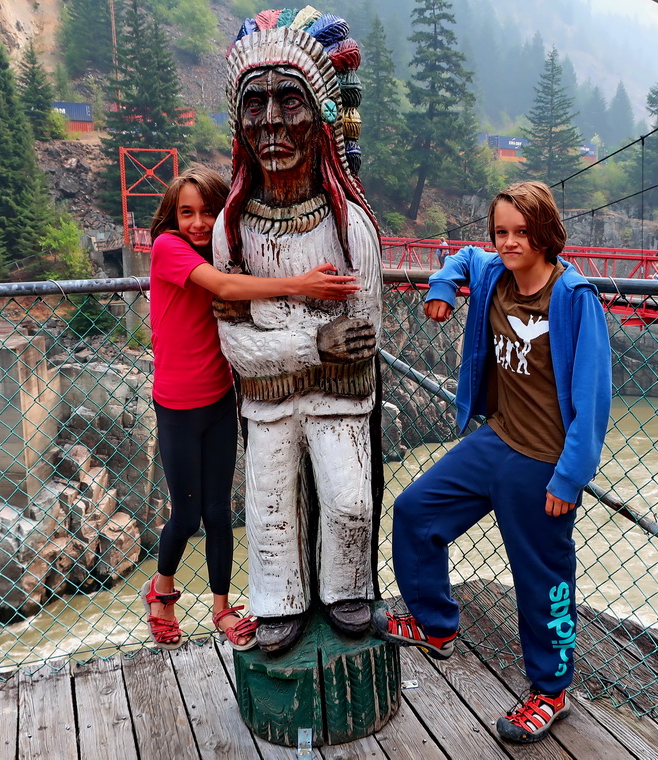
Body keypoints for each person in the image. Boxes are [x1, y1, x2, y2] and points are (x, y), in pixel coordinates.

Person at [375, 181, 612, 744]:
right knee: (415, 511)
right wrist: (442, 287)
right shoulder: (492, 274)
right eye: (501, 231)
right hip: (496, 440)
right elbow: (461, 257)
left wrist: (570, 476)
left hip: (542, 463)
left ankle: (551, 692)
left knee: (540, 579)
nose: (509, 242)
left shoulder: (573, 298)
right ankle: (435, 625)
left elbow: (594, 398)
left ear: (546, 233)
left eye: (521, 232)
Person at [213, 13, 384, 655]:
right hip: (265, 408)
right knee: (269, 513)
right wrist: (313, 344)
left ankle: (347, 589)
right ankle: (277, 599)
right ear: (238, 123)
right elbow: (237, 349)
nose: (272, 123)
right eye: (254, 105)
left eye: (290, 101)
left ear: (320, 119)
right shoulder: (231, 232)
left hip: (341, 403)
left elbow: (359, 341)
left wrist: (280, 348)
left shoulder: (350, 231)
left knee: (348, 504)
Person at [141, 164, 359, 652]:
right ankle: (161, 594)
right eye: (186, 213)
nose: (197, 223)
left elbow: (239, 280)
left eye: (208, 212)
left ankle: (221, 609)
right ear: (172, 218)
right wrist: (300, 284)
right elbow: (223, 289)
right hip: (177, 405)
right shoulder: (168, 249)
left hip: (220, 398)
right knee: (186, 516)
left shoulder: (221, 252)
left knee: (219, 513)